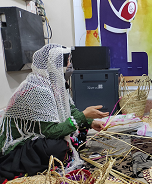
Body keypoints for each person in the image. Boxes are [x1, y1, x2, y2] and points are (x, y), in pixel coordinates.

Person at [0, 44, 109, 180]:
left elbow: (71, 111)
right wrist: (83, 116)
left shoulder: (56, 85)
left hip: (40, 134)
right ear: (53, 66)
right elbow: (52, 131)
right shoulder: (37, 89)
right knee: (56, 146)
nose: (70, 66)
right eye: (67, 63)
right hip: (17, 148)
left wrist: (90, 122)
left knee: (76, 132)